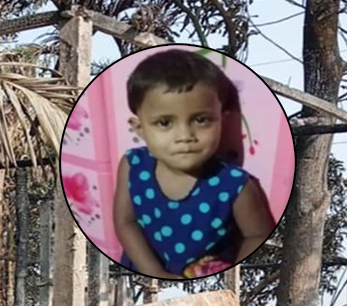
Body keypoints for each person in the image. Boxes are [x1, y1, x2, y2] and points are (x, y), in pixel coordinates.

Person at [112, 49, 276, 280]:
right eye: (165, 122)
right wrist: (155, 273)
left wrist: (225, 276)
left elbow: (258, 235)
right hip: (138, 277)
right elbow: (125, 222)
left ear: (222, 120)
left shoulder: (235, 186)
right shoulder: (132, 165)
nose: (185, 135)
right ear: (140, 129)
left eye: (201, 120)